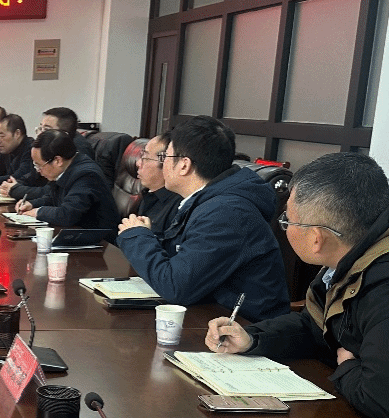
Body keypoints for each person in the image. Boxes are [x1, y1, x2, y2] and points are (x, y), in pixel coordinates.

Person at [208, 153, 389, 418]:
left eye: (287, 220)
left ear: (317, 238)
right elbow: (314, 327)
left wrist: (347, 368)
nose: (285, 226)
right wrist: (253, 339)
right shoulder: (353, 253)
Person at [117, 116, 288, 322]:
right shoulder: (207, 201)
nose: (163, 165)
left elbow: (176, 287)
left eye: (167, 157)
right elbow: (184, 262)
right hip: (209, 317)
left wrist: (137, 237)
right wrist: (148, 236)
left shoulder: (226, 213)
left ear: (184, 165)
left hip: (243, 328)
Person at [14, 130, 119, 232]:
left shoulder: (86, 175)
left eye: (39, 165)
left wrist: (38, 212)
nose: (38, 170)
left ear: (58, 160)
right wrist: (32, 204)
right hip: (75, 233)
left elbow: (67, 214)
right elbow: (53, 198)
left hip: (99, 239)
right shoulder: (67, 168)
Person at [135, 133, 180, 232]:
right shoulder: (148, 194)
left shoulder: (179, 207)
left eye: (145, 158)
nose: (138, 163)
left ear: (167, 163)